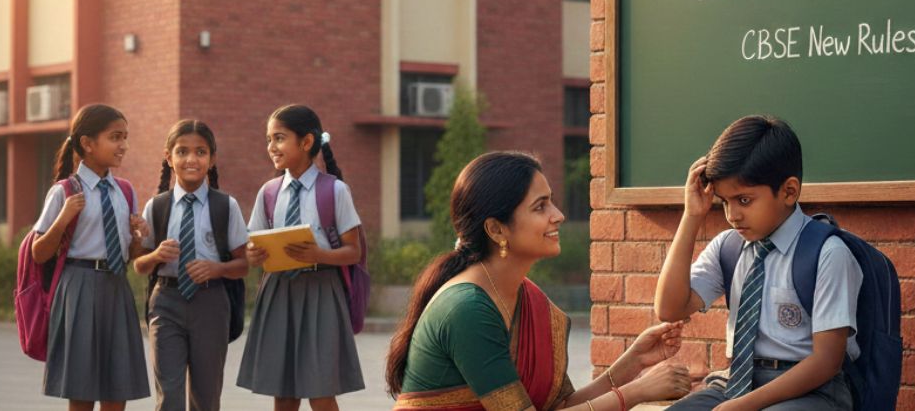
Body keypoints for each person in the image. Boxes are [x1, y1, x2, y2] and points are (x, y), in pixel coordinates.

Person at [388, 151, 693, 411]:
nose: (558, 215)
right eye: (540, 206)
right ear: (496, 230)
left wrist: (634, 362)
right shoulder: (467, 309)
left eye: (552, 202)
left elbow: (561, 406)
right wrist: (637, 392)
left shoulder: (525, 296)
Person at [654, 116, 862, 411]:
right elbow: (669, 308)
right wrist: (692, 216)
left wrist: (744, 406)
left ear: (789, 191)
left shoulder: (827, 253)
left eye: (744, 200)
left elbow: (826, 362)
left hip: (811, 390)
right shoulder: (729, 247)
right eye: (724, 202)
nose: (732, 215)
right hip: (736, 381)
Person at [238, 104, 365, 410]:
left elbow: (354, 251)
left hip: (322, 292)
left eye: (279, 138)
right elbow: (251, 246)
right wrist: (254, 254)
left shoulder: (334, 190)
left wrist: (319, 254)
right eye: (269, 139)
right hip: (279, 292)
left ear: (306, 142)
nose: (271, 147)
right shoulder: (268, 192)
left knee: (321, 392)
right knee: (284, 392)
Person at [31, 104, 151, 410]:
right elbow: (38, 251)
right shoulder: (64, 191)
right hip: (78, 288)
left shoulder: (124, 191)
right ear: (87, 143)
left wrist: (140, 236)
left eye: (125, 137)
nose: (123, 145)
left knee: (118, 384)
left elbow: (133, 256)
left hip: (116, 287)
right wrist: (64, 217)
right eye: (115, 137)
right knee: (82, 388)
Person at [134, 119, 250, 411]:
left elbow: (243, 264)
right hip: (166, 302)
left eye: (200, 152)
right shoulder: (157, 206)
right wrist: (157, 255)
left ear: (212, 160)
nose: (191, 159)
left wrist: (217, 269)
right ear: (169, 157)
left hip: (211, 302)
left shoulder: (226, 206)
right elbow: (140, 265)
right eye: (182, 151)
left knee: (206, 396)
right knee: (169, 397)